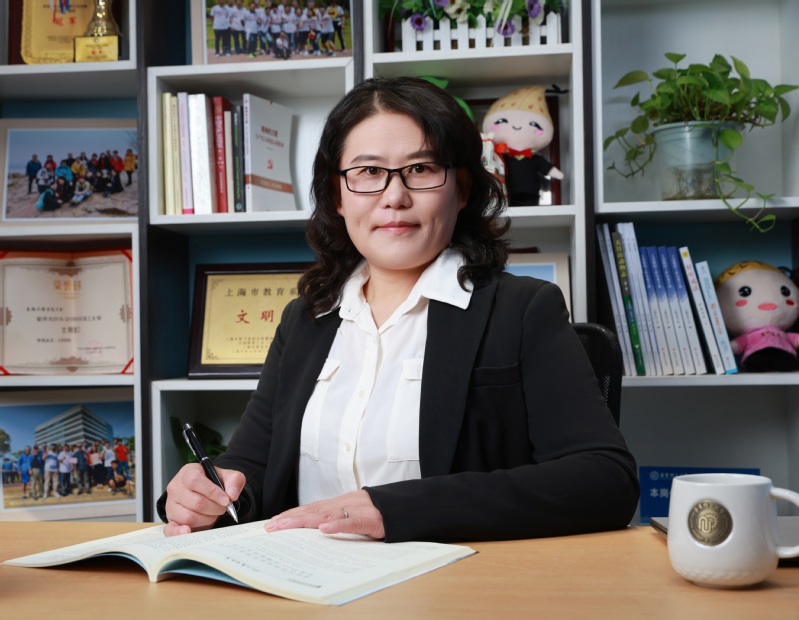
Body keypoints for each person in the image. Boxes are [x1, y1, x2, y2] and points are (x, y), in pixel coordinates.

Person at [158, 76, 639, 543]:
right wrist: (205, 497)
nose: (394, 197)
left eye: (421, 169)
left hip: (453, 581)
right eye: (368, 172)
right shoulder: (306, 318)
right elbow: (252, 468)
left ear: (462, 189)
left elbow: (604, 480)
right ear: (337, 195)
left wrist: (397, 509)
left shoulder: (522, 309)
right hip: (303, 577)